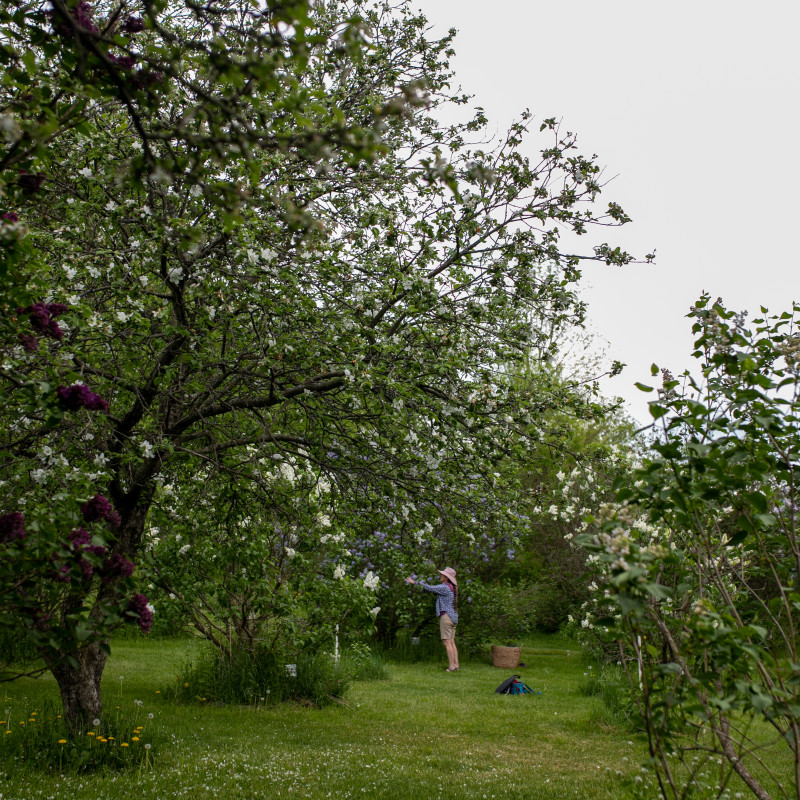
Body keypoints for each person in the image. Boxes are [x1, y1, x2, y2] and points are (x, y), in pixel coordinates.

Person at [405, 567, 460, 672]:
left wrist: (414, 582)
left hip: (447, 617)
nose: (440, 576)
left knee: (447, 642)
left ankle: (451, 666)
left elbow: (429, 588)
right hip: (453, 617)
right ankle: (456, 665)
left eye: (442, 575)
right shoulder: (451, 588)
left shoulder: (445, 587)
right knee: (452, 642)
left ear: (446, 578)